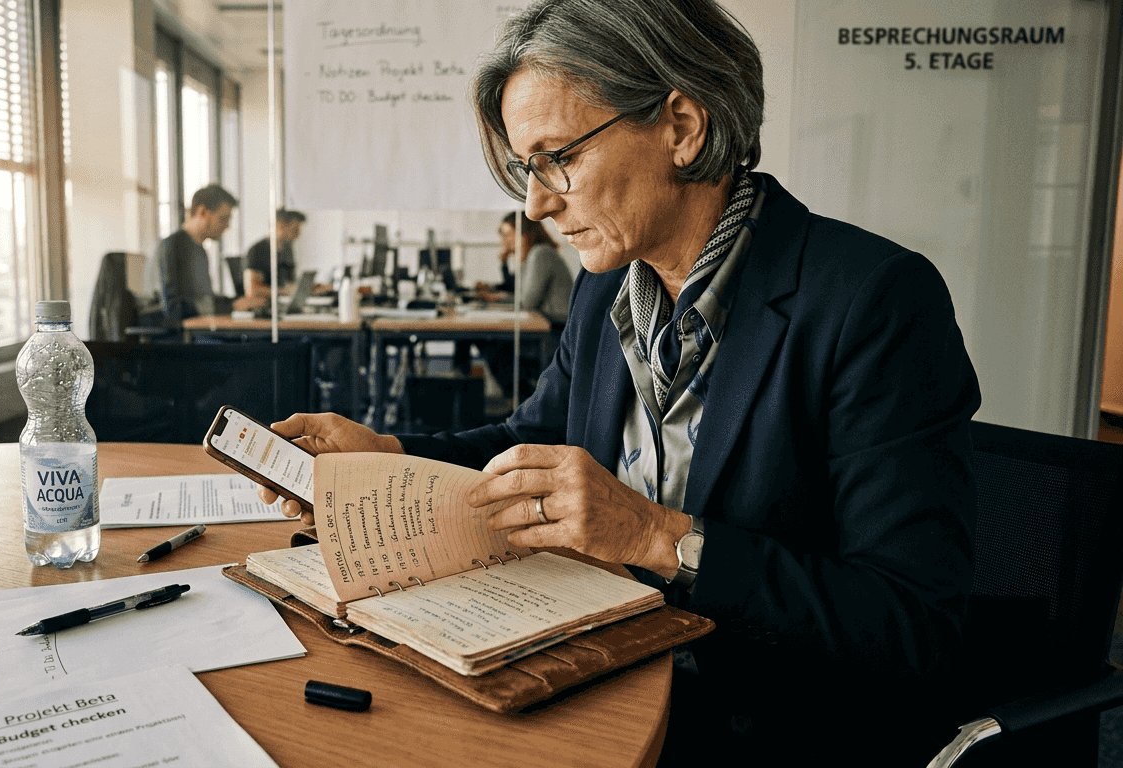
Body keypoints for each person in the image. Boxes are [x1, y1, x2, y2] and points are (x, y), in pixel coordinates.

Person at [259, 1, 979, 764]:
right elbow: (526, 442)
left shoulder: (873, 301)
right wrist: (387, 455)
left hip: (760, 725)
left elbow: (911, 622)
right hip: (595, 674)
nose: (536, 204)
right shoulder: (608, 286)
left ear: (681, 128)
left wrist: (653, 535)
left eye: (556, 158)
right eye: (526, 169)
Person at [472, 211, 573, 400]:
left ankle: (524, 399)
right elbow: (518, 291)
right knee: (490, 342)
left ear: (526, 233)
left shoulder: (540, 254)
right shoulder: (533, 255)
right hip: (546, 324)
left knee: (494, 347)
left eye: (509, 235)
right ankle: (523, 399)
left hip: (556, 329)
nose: (506, 241)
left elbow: (526, 301)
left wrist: (495, 299)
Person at [157, 184, 236, 327]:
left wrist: (235, 303)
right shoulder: (171, 246)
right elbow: (173, 309)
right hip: (178, 335)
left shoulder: (200, 251)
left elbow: (205, 299)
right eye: (223, 218)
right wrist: (231, 306)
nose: (227, 226)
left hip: (198, 329)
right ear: (203, 212)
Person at [243, 209, 307, 297]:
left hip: (283, 300)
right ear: (279, 226)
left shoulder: (287, 248)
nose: (298, 235)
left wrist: (307, 287)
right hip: (266, 302)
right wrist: (284, 291)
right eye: (295, 230)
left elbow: (290, 282)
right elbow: (252, 291)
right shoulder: (257, 250)